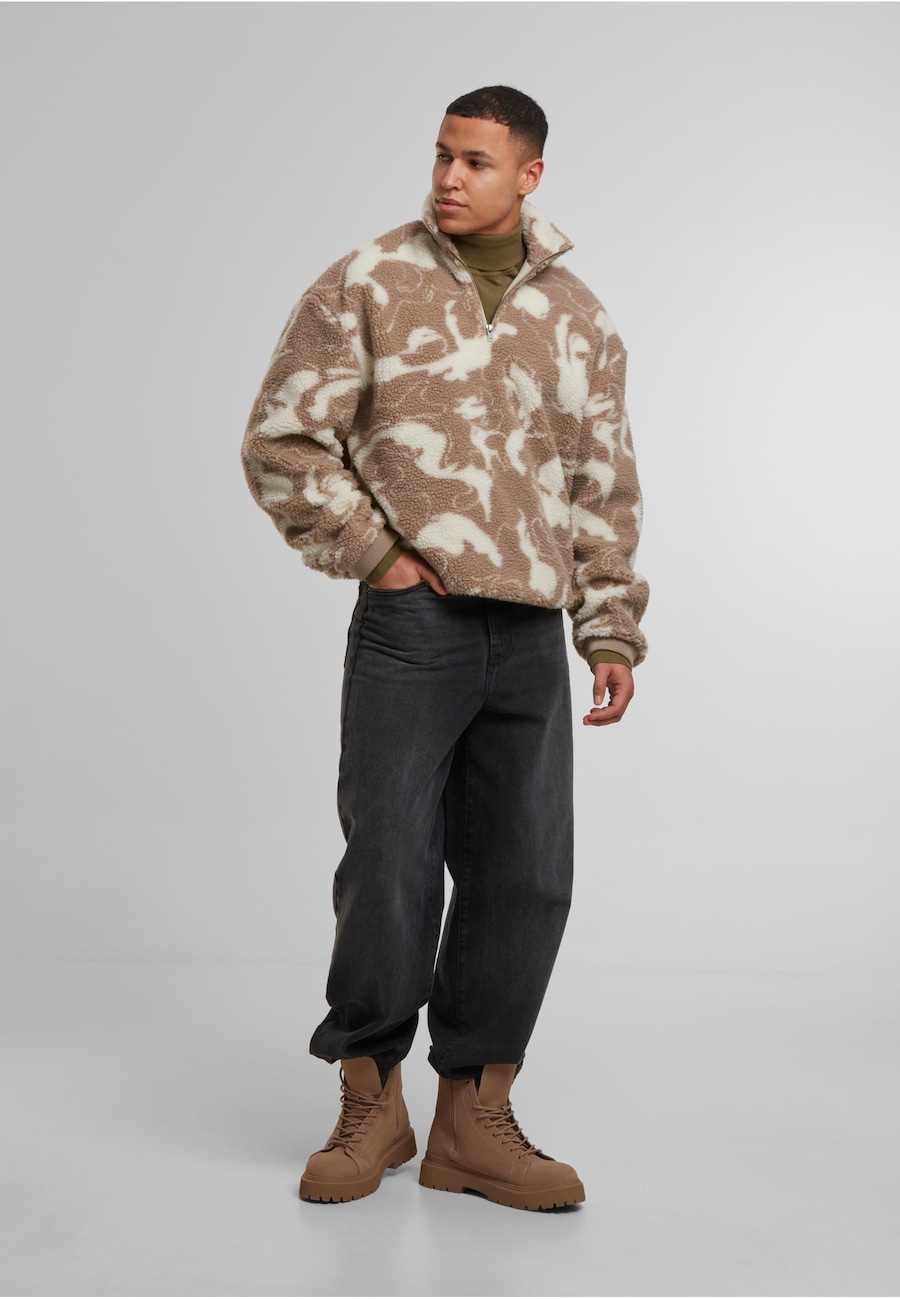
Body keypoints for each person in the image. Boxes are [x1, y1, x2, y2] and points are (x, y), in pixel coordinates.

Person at [240, 84, 649, 1213]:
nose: (449, 178)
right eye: (441, 156)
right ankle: (369, 1102)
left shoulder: (580, 316)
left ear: (530, 175)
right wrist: (374, 554)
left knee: (526, 873)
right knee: (390, 864)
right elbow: (281, 437)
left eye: (476, 161)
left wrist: (608, 624)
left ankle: (475, 1116)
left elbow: (602, 485)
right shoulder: (370, 280)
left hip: (530, 632)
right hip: (412, 626)